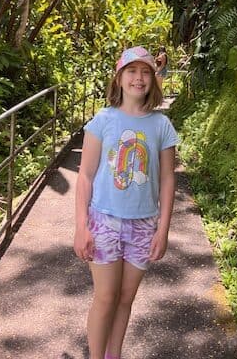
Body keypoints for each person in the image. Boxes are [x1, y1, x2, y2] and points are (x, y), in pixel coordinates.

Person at [73, 46, 178, 359]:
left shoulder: (162, 126)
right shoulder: (103, 120)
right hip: (103, 220)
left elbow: (168, 180)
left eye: (145, 72)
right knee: (105, 296)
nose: (139, 78)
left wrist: (163, 230)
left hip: (144, 225)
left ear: (153, 80)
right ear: (119, 78)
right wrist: (81, 226)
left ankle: (113, 355)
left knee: (125, 299)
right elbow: (85, 176)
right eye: (132, 71)